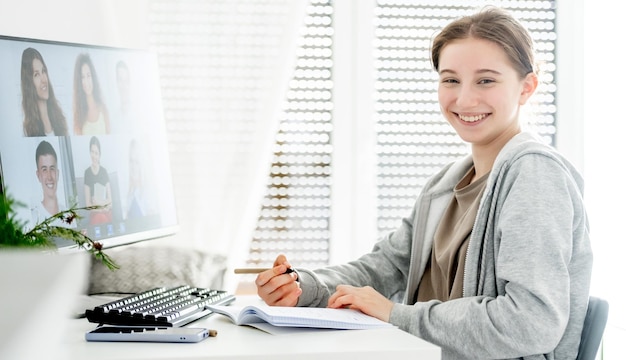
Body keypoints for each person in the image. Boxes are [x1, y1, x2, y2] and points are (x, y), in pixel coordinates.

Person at [254, 7, 592, 359]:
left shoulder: (534, 175)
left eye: (486, 80)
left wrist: (395, 314)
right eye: (450, 80)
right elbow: (385, 268)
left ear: (527, 87)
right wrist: (302, 286)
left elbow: (530, 323)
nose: (464, 99)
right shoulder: (446, 185)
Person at [20, 48, 69, 137]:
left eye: (43, 71)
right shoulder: (28, 130)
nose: (43, 79)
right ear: (29, 84)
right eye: (36, 74)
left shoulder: (61, 120)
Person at [31, 140, 69, 227]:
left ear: (58, 173)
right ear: (38, 175)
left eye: (52, 168)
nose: (49, 177)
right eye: (44, 169)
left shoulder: (69, 215)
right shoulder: (34, 218)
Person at [72, 53, 111, 135]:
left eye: (88, 75)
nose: (86, 82)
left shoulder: (103, 109)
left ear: (93, 77)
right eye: (82, 77)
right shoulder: (79, 117)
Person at [84, 136, 112, 224]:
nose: (94, 155)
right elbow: (88, 205)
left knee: (104, 218)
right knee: (99, 218)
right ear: (89, 152)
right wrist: (100, 208)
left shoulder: (104, 172)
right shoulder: (87, 173)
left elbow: (110, 202)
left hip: (106, 212)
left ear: (99, 155)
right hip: (95, 213)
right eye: (92, 152)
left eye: (96, 153)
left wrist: (99, 203)